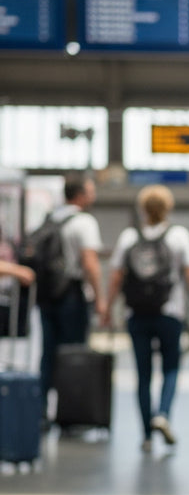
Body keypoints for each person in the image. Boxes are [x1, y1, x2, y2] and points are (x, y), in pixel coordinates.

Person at [103, 184, 189, 451]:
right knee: (171, 367)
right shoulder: (179, 236)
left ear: (142, 208)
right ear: (168, 207)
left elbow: (116, 277)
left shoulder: (128, 237)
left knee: (143, 374)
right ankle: (163, 414)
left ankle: (146, 435)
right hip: (170, 312)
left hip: (136, 313)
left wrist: (106, 309)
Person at [38, 173, 105, 420]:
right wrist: (100, 299)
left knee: (49, 353)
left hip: (47, 296)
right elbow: (90, 263)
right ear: (79, 195)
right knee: (74, 354)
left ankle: (42, 411)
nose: (93, 195)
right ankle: (70, 412)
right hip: (72, 295)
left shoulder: (50, 218)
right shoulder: (84, 222)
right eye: (90, 190)